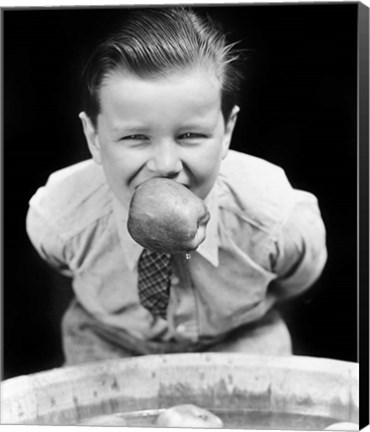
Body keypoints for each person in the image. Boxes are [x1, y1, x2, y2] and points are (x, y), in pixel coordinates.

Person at [26, 6, 327, 365]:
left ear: (227, 131)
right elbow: (61, 264)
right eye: (136, 137)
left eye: (190, 135)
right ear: (93, 137)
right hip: (109, 345)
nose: (165, 165)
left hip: (241, 341)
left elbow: (298, 277)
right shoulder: (59, 216)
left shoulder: (275, 217)